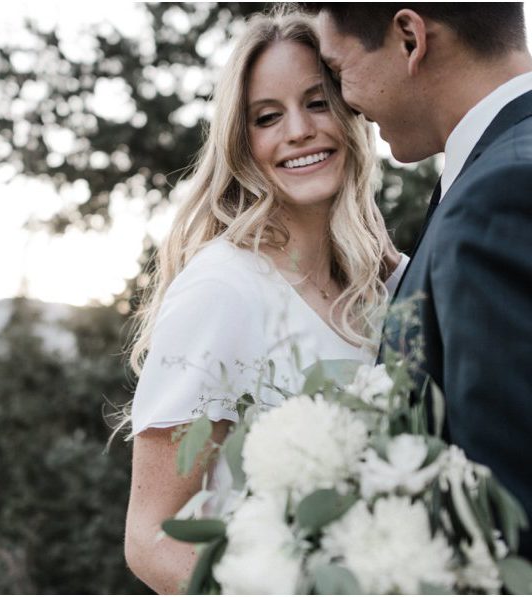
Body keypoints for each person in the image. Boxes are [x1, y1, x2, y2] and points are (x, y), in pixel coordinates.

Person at [123, 12, 408, 594]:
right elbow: (151, 538)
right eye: (268, 117)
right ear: (242, 141)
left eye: (317, 102)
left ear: (352, 113)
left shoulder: (383, 282)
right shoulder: (221, 290)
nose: (298, 130)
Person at [304, 2, 532, 557]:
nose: (347, 106)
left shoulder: (495, 199)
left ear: (409, 38)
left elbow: (509, 518)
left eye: (339, 71)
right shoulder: (493, 173)